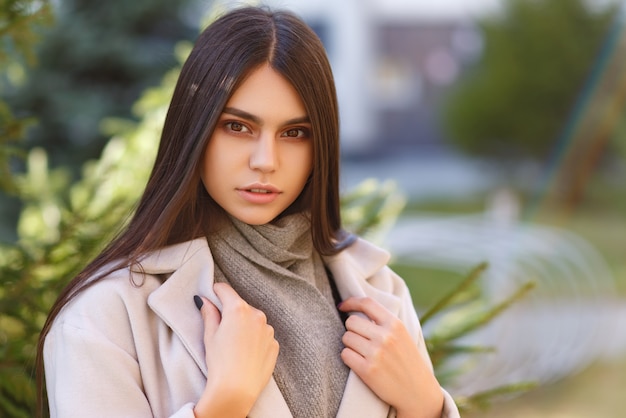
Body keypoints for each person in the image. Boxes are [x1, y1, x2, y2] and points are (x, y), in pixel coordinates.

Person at [36, 6, 460, 418]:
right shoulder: (103, 316)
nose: (265, 160)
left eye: (295, 133)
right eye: (238, 126)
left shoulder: (380, 293)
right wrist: (220, 407)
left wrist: (424, 407)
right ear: (195, 129)